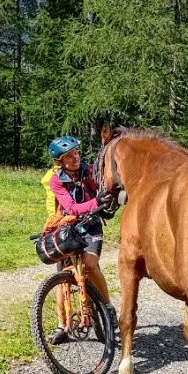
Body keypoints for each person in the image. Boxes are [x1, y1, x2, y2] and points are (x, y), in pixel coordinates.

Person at [42, 135, 114, 344]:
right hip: (69, 228)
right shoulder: (57, 180)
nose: (75, 158)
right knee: (63, 276)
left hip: (91, 225)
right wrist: (95, 202)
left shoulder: (89, 170)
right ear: (60, 162)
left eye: (76, 153)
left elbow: (106, 187)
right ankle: (62, 326)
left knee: (91, 265)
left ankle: (107, 307)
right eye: (69, 156)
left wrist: (104, 201)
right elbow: (71, 207)